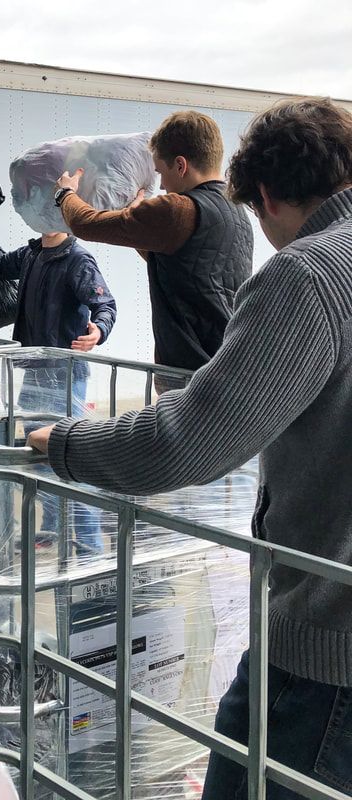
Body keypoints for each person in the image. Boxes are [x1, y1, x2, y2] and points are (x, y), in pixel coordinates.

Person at [29, 97, 352, 798]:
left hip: (328, 657)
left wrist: (65, 443)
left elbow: (185, 443)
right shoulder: (225, 221)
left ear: (266, 194)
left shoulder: (310, 274)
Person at [53, 111, 254, 373]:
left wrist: (65, 193)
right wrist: (137, 224)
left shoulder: (177, 208)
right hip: (227, 361)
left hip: (188, 374)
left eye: (161, 172)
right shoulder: (235, 209)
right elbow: (185, 265)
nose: (161, 186)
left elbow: (85, 224)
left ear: (181, 165)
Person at [0, 224, 117, 556]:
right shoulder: (31, 254)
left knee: (68, 458)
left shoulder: (78, 260)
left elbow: (104, 304)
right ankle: (57, 529)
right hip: (36, 372)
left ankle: (90, 547)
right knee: (41, 457)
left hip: (65, 376)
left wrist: (99, 331)